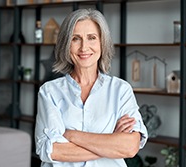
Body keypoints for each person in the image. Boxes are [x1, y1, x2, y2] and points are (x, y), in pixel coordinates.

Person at [35, 8, 148, 167]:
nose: (84, 47)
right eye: (75, 39)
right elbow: (51, 151)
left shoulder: (121, 90)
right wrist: (111, 143)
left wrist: (72, 135)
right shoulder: (49, 92)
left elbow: (129, 147)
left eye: (92, 38)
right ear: (66, 44)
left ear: (103, 43)